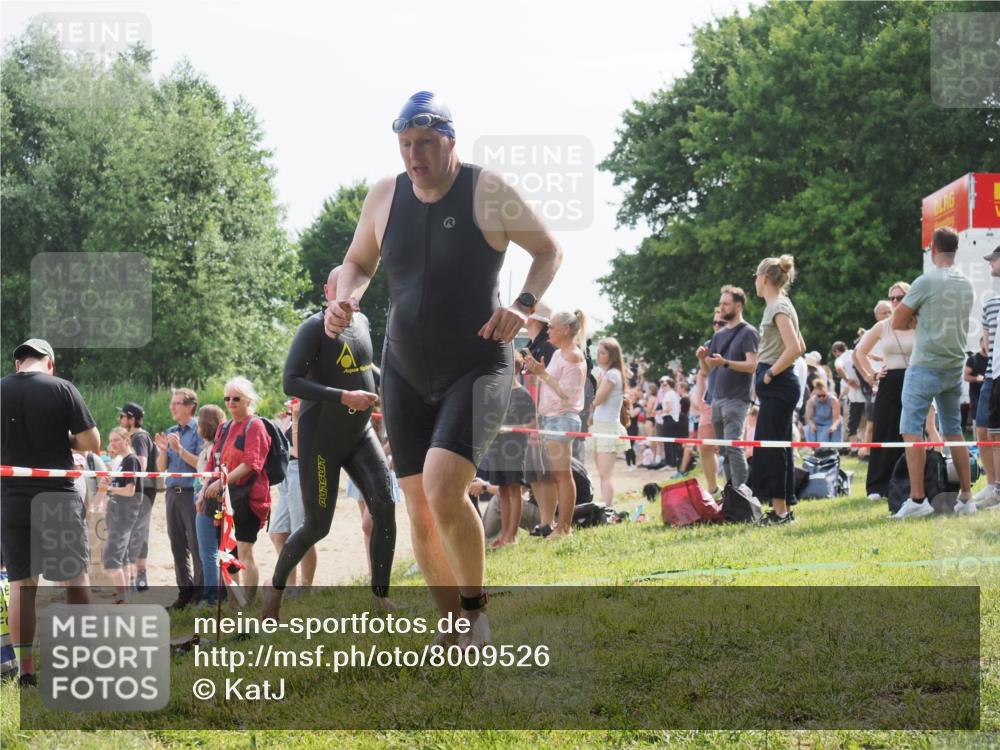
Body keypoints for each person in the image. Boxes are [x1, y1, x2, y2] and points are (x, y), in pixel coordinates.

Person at [323, 91, 562, 647]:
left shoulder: (487, 190)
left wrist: (523, 306)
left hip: (477, 363)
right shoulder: (385, 196)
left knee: (442, 485)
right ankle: (452, 623)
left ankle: (477, 614)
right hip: (404, 367)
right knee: (418, 505)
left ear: (450, 140)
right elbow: (358, 260)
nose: (415, 155)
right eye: (406, 145)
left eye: (426, 143)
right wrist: (347, 296)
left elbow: (548, 251)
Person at [263, 267, 396, 621]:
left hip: (360, 434)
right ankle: (273, 595)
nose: (349, 292)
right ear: (327, 290)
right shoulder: (312, 328)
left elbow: (365, 366)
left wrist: (384, 386)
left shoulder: (363, 322)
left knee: (385, 507)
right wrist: (342, 397)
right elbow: (290, 382)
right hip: (321, 439)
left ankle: (380, 597)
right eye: (341, 286)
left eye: (355, 285)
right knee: (317, 527)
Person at [1, 339, 100, 688]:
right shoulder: (62, 388)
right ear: (50, 364)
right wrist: (64, 441)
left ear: (18, 364)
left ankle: (26, 670)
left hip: (11, 497)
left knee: (22, 585)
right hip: (56, 495)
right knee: (75, 578)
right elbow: (92, 443)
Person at [892, 227, 976, 518]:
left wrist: (918, 320)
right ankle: (966, 497)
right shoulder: (966, 284)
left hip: (925, 364)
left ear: (933, 249)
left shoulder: (925, 281)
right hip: (953, 366)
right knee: (954, 431)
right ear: (955, 251)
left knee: (911, 430)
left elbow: (896, 322)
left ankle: (917, 500)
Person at [202, 377, 272, 603]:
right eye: (227, 398)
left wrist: (221, 482)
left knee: (244, 551)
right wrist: (204, 490)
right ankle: (234, 603)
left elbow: (252, 464)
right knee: (226, 554)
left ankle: (249, 603)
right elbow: (213, 461)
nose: (231, 402)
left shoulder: (256, 426)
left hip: (250, 499)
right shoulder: (224, 427)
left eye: (236, 398)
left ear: (248, 400)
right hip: (224, 500)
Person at [750, 256, 806, 525]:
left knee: (773, 448)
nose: (755, 282)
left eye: (755, 277)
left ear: (764, 278)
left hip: (778, 381)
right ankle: (782, 509)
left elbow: (795, 348)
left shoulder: (778, 306)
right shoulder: (779, 305)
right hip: (778, 381)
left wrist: (770, 374)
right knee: (777, 446)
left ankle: (781, 511)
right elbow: (800, 343)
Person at [524, 311, 588, 539]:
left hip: (562, 418)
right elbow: (552, 385)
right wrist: (537, 372)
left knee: (562, 475)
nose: (548, 330)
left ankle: (564, 528)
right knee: (557, 474)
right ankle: (559, 526)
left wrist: (542, 374)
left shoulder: (572, 356)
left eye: (552, 327)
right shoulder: (561, 354)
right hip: (552, 418)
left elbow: (566, 395)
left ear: (565, 330)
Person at [854, 282, 916, 500]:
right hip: (890, 381)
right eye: (893, 298)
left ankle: (911, 483)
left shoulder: (919, 323)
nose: (896, 301)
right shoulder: (883, 327)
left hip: (915, 380)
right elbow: (859, 353)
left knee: (913, 432)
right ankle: (877, 486)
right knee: (884, 431)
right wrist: (871, 375)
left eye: (900, 297)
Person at [698, 285, 759, 491]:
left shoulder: (749, 332)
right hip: (717, 398)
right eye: (721, 303)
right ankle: (730, 491)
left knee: (734, 446)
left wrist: (726, 362)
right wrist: (701, 359)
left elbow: (752, 365)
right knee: (724, 449)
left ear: (738, 305)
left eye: (726, 303)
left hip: (737, 398)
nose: (722, 307)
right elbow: (708, 371)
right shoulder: (719, 336)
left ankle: (743, 492)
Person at [154, 388, 205, 610]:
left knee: (196, 545)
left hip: (191, 496)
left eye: (177, 403)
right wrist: (164, 450)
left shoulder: (200, 431)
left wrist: (180, 450)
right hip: (171, 494)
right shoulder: (172, 431)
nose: (172, 407)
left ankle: (199, 594)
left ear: (190, 406)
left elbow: (202, 465)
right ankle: (184, 592)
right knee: (177, 546)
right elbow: (161, 467)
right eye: (172, 403)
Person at [481, 350, 537, 548]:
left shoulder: (522, 394)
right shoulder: (497, 394)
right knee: (503, 490)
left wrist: (510, 429)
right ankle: (504, 534)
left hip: (514, 448)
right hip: (497, 447)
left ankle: (513, 535)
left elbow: (533, 425)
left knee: (514, 490)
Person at [268, 398, 317, 590]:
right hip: (287, 472)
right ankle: (290, 585)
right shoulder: (295, 414)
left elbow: (299, 450)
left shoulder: (312, 414)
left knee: (301, 532)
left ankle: (306, 587)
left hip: (301, 471)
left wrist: (295, 418)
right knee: (278, 533)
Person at [96, 427, 143, 604]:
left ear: (126, 440)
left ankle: (125, 596)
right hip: (117, 513)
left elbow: (130, 491)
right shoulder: (122, 461)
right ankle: (124, 595)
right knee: (120, 557)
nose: (112, 443)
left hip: (125, 515)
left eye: (116, 440)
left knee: (111, 557)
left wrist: (108, 488)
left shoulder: (131, 460)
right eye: (111, 440)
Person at [970, 247, 1000, 508]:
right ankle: (992, 485)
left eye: (994, 259)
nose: (991, 264)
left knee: (996, 431)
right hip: (992, 373)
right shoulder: (990, 302)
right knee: (982, 428)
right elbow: (988, 344)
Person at [120, 402, 157, 592]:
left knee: (137, 533)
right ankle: (138, 577)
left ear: (131, 419)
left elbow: (140, 464)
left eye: (122, 417)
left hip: (140, 492)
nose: (120, 420)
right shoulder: (136, 436)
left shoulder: (139, 437)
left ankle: (138, 578)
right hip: (140, 491)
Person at [193, 404, 226, 605]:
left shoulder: (212, 449)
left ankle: (211, 597)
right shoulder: (213, 447)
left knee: (208, 551)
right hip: (213, 496)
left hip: (208, 499)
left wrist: (202, 494)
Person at [589, 338, 628, 506]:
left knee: (605, 474)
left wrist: (597, 382)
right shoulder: (609, 374)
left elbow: (597, 400)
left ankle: (609, 509)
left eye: (602, 352)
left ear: (611, 355)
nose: (598, 355)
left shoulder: (612, 374)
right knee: (602, 473)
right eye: (597, 352)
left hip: (607, 428)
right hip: (601, 426)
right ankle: (607, 506)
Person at [803, 379, 842, 443]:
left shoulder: (833, 400)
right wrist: (812, 425)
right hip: (817, 424)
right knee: (810, 429)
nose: (821, 397)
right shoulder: (811, 401)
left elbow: (836, 418)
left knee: (835, 428)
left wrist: (834, 426)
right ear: (815, 394)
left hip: (831, 422)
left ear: (827, 392)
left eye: (824, 395)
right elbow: (809, 418)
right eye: (819, 396)